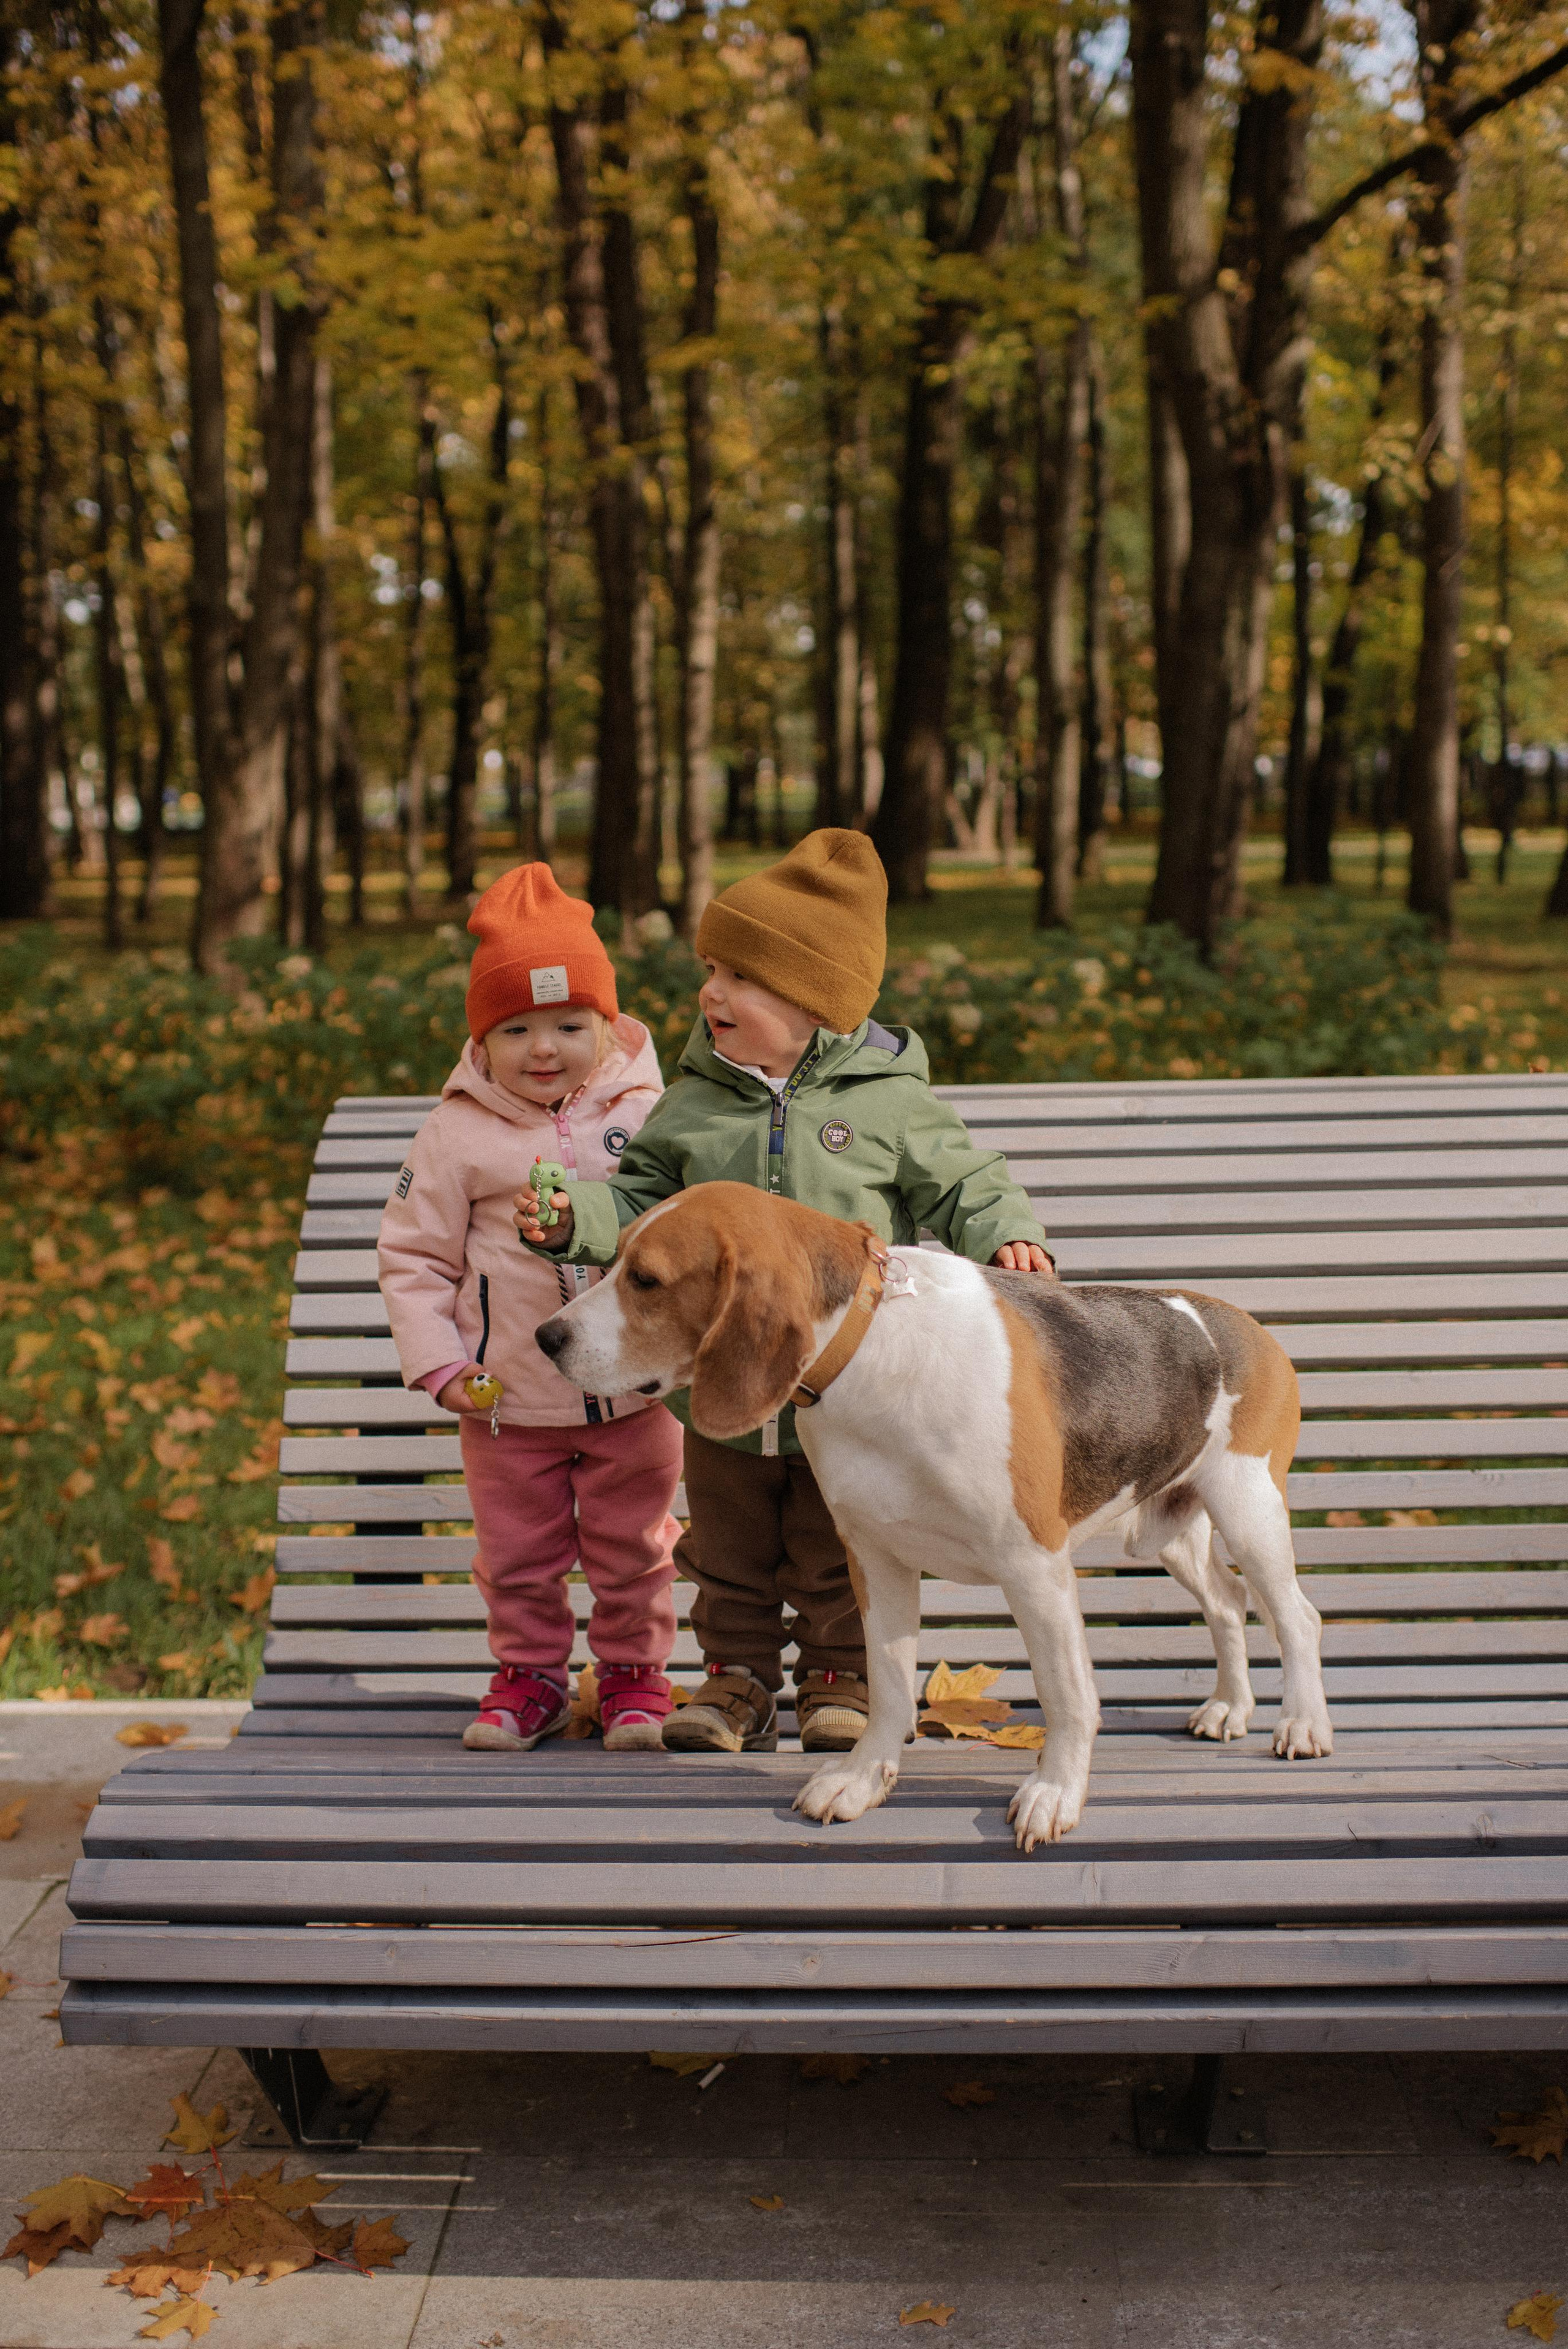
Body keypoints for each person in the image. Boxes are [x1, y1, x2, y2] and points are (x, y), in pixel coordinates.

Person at [515, 828, 1054, 1757]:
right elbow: (643, 1200)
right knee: (724, 1542)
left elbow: (962, 1180)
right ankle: (738, 1677)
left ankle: (840, 1674)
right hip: (716, 1379)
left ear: (818, 1002)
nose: (711, 993)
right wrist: (578, 1223)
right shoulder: (692, 1102)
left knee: (842, 1534)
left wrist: (1004, 1231)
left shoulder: (888, 1101)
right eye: (713, 969)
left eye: (742, 978)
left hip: (844, 1385)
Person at [379, 863, 684, 1755]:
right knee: (517, 1558)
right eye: (516, 1028)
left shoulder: (650, 1114)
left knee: (638, 1548)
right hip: (506, 1400)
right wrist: (442, 1367)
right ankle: (531, 1678)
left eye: (567, 1024)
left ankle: (634, 1675)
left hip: (632, 1398)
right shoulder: (457, 1133)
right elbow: (412, 1255)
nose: (543, 1048)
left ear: (607, 1025)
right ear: (483, 1038)